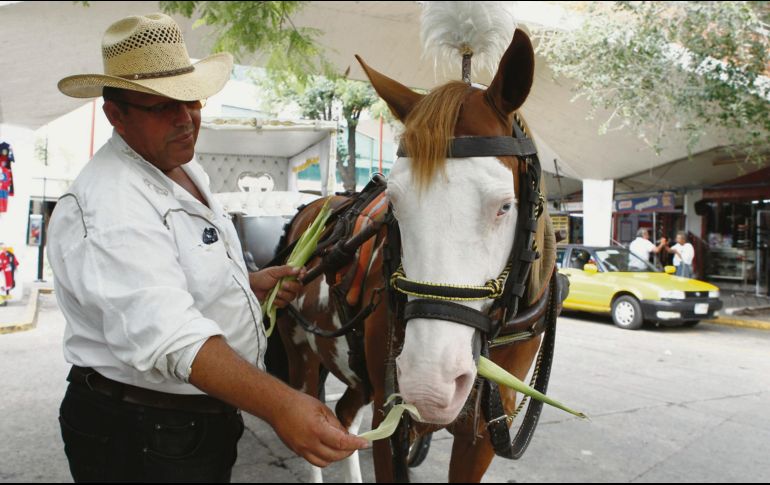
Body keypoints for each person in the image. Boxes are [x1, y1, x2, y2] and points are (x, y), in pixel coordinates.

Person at [49, 13, 367, 482]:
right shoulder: (109, 204)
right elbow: (170, 336)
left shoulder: (177, 165)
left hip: (185, 423)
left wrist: (250, 285)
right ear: (116, 114)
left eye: (192, 100)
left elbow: (181, 272)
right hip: (141, 436)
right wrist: (283, 404)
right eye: (161, 107)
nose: (185, 119)